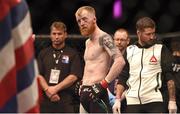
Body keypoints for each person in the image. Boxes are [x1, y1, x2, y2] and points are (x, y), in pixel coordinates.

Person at [113, 17, 177, 113]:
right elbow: (123, 77)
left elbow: (169, 77)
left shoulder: (160, 49)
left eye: (153, 33)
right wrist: (117, 99)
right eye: (148, 34)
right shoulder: (130, 50)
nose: (152, 37)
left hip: (154, 101)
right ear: (139, 33)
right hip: (132, 101)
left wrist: (172, 101)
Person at [75, 6, 125, 113]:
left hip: (97, 93)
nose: (82, 23)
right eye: (79, 21)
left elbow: (120, 61)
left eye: (84, 19)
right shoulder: (87, 42)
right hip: (84, 92)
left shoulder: (104, 38)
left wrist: (104, 84)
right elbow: (91, 65)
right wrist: (83, 82)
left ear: (94, 19)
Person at [37, 21, 83, 113]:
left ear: (65, 35)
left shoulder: (73, 54)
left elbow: (74, 76)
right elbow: (38, 75)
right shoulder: (43, 53)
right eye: (54, 34)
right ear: (50, 35)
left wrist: (55, 89)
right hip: (45, 100)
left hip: (66, 100)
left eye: (59, 34)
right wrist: (47, 90)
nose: (56, 37)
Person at [108, 28, 130, 113]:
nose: (119, 42)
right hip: (107, 97)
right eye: (117, 39)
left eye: (122, 40)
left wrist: (120, 98)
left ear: (128, 41)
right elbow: (102, 76)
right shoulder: (107, 57)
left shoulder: (132, 57)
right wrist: (108, 95)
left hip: (127, 98)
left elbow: (135, 79)